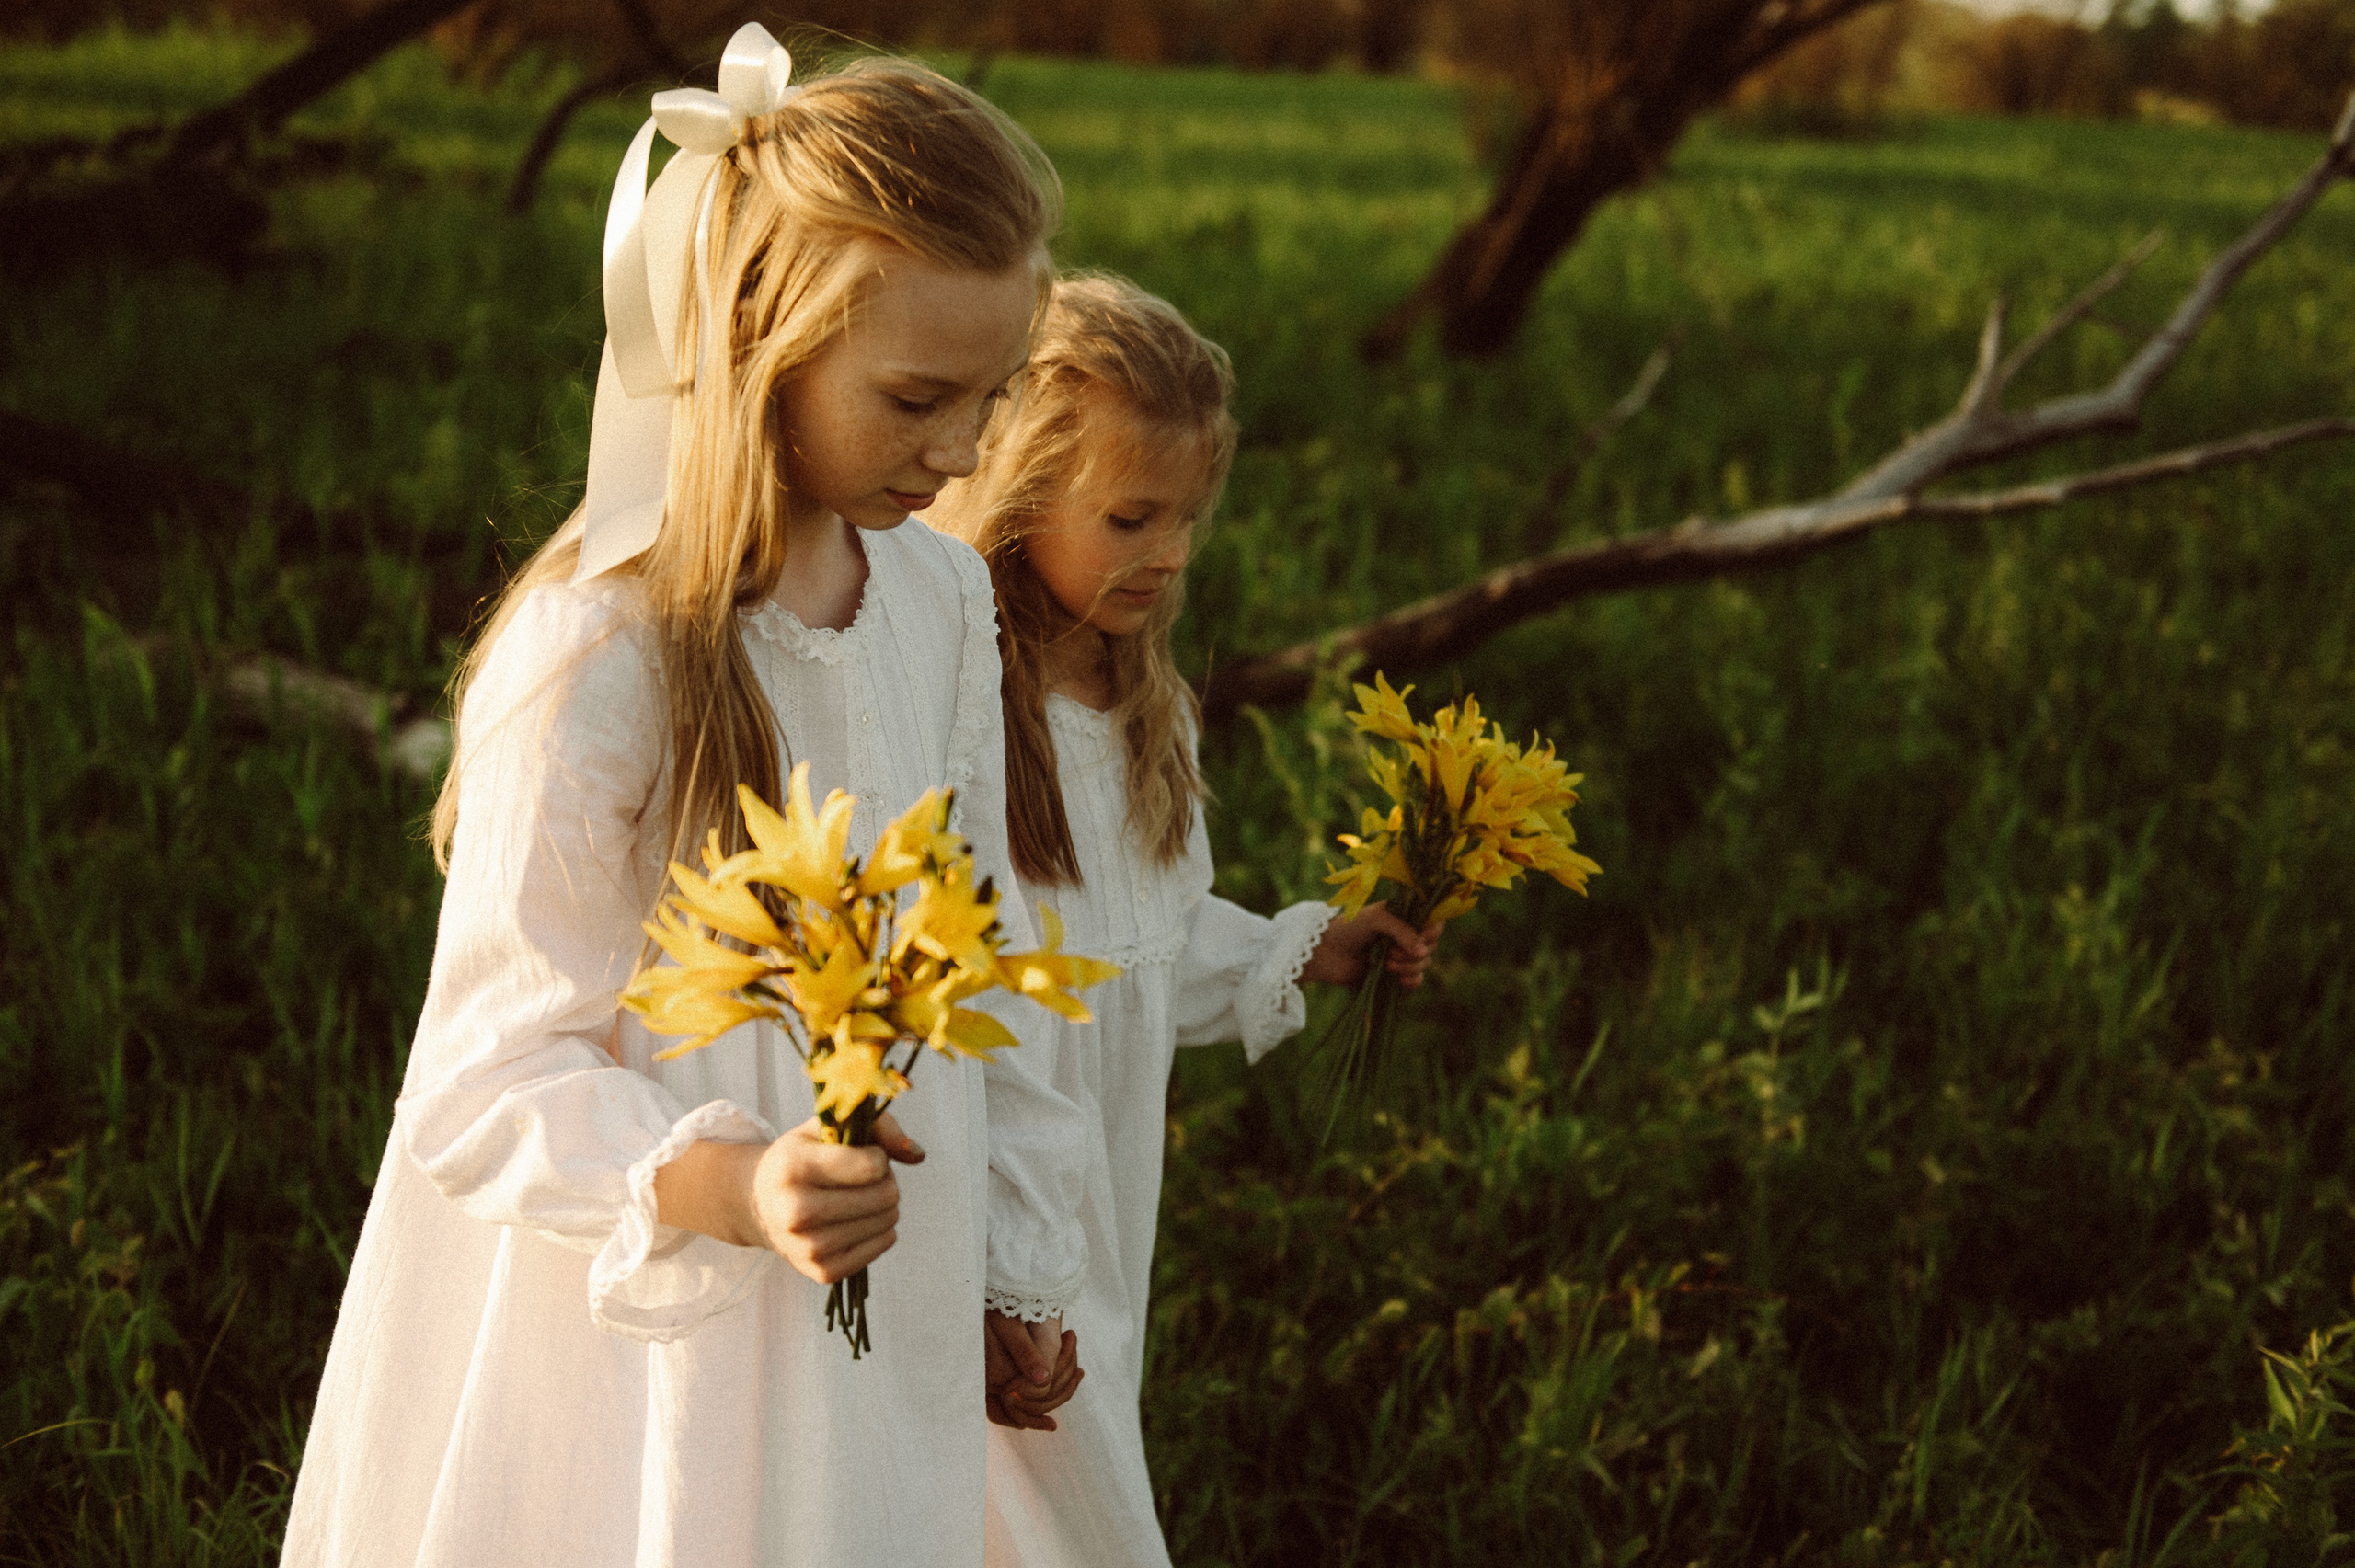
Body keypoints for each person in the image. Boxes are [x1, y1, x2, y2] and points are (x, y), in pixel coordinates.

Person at [284, 29, 1091, 1567]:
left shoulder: (937, 598)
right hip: (665, 1302)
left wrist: (1011, 1263)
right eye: (919, 398)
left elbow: (980, 938)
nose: (968, 451)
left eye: (990, 397)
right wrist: (727, 1179)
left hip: (885, 1263)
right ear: (757, 340)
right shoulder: (604, 649)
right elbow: (484, 1072)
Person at [929, 274, 1440, 1568]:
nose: (1168, 553)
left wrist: (1298, 948)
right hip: (989, 1205)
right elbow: (974, 1017)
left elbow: (1150, 943)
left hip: (1099, 1209)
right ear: (1021, 491)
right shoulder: (963, 712)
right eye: (1130, 516)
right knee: (1041, 1514)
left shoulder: (1144, 705)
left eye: (1189, 519)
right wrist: (1010, 1270)